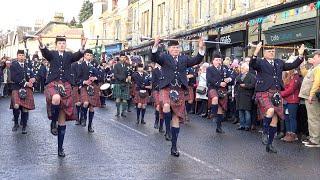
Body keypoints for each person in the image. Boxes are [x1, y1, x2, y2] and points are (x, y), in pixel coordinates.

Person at [151, 36, 205, 157]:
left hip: (179, 89)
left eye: (177, 47)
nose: (175, 49)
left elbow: (196, 60)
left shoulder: (184, 58)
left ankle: (174, 146)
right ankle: (168, 131)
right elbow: (154, 57)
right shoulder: (164, 58)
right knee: (165, 106)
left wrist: (201, 48)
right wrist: (155, 45)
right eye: (173, 47)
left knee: (176, 118)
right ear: (169, 49)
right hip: (166, 88)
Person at [250, 42, 305, 153]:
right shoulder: (260, 62)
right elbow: (252, 64)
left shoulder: (279, 62)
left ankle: (269, 145)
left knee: (274, 121)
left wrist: (300, 55)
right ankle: (264, 132)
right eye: (269, 51)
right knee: (270, 110)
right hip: (264, 91)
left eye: (273, 51)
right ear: (264, 52)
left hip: (276, 93)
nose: (272, 52)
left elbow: (292, 65)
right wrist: (256, 52)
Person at [39, 35, 87, 157]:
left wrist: (82, 46)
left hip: (66, 84)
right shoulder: (52, 54)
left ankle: (60, 148)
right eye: (59, 43)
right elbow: (45, 53)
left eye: (63, 43)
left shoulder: (69, 55)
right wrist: (41, 43)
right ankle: (53, 122)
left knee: (63, 120)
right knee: (56, 98)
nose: (62, 45)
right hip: (53, 83)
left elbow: (78, 55)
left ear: (65, 45)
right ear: (56, 45)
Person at [10, 50, 36, 134]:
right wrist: (25, 83)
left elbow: (32, 75)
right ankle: (16, 123)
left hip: (27, 89)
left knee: (25, 108)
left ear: (24, 56)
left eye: (22, 55)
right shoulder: (13, 65)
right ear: (17, 56)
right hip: (17, 88)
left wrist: (33, 79)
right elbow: (14, 78)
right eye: (20, 55)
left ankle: (24, 126)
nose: (21, 57)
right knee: (16, 106)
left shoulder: (28, 65)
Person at [299, 51, 320, 147]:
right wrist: (303, 64)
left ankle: (315, 140)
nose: (312, 59)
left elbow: (317, 82)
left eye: (314, 57)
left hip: (312, 97)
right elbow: (305, 74)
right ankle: (313, 137)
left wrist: (311, 94)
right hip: (309, 96)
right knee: (312, 118)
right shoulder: (314, 68)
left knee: (313, 119)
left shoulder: (318, 68)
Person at [78, 49, 102, 133]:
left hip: (93, 87)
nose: (89, 56)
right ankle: (83, 117)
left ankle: (90, 125)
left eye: (90, 55)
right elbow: (77, 78)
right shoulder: (80, 65)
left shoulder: (94, 66)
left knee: (91, 108)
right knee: (85, 103)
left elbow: (100, 76)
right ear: (84, 55)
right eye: (87, 55)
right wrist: (84, 81)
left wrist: (96, 78)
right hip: (84, 86)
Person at [207, 54, 231, 133]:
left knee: (220, 109)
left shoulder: (225, 69)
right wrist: (219, 83)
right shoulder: (209, 69)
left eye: (219, 60)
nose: (218, 62)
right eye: (216, 60)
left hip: (222, 89)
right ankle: (213, 114)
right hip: (213, 88)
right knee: (215, 98)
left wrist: (229, 79)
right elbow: (209, 79)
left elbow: (232, 75)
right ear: (213, 61)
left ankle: (219, 127)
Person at [234, 63, 256, 131]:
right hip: (239, 96)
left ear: (247, 69)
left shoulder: (252, 76)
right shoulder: (239, 76)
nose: (241, 69)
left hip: (247, 96)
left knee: (247, 111)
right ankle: (242, 125)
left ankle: (247, 125)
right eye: (241, 68)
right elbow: (236, 85)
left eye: (243, 68)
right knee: (240, 111)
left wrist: (245, 85)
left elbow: (253, 85)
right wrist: (235, 93)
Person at [112, 53, 131, 117]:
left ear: (125, 58)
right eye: (122, 57)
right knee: (118, 98)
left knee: (125, 98)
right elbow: (115, 74)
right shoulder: (116, 65)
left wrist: (129, 77)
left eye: (124, 57)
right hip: (118, 83)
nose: (123, 58)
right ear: (119, 58)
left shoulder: (128, 65)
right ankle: (118, 111)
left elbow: (130, 73)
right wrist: (123, 78)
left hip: (126, 84)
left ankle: (123, 112)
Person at [151, 63, 164, 132]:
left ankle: (161, 126)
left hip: (164, 91)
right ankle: (156, 121)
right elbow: (153, 81)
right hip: (156, 90)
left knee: (163, 108)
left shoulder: (166, 70)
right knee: (158, 106)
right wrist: (157, 86)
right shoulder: (154, 70)